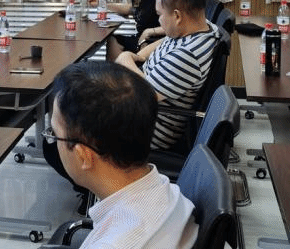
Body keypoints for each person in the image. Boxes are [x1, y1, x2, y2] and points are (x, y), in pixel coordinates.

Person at [46, 61, 198, 248]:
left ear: (83, 155)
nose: (53, 140)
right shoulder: (166, 189)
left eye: (54, 134)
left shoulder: (113, 244)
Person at [115, 0, 220, 150]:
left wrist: (125, 58)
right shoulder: (201, 27)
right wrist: (137, 56)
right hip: (138, 106)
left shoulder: (187, 56)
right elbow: (165, 41)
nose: (159, 22)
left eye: (160, 15)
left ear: (177, 16)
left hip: (144, 129)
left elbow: (145, 95)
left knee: (78, 118)